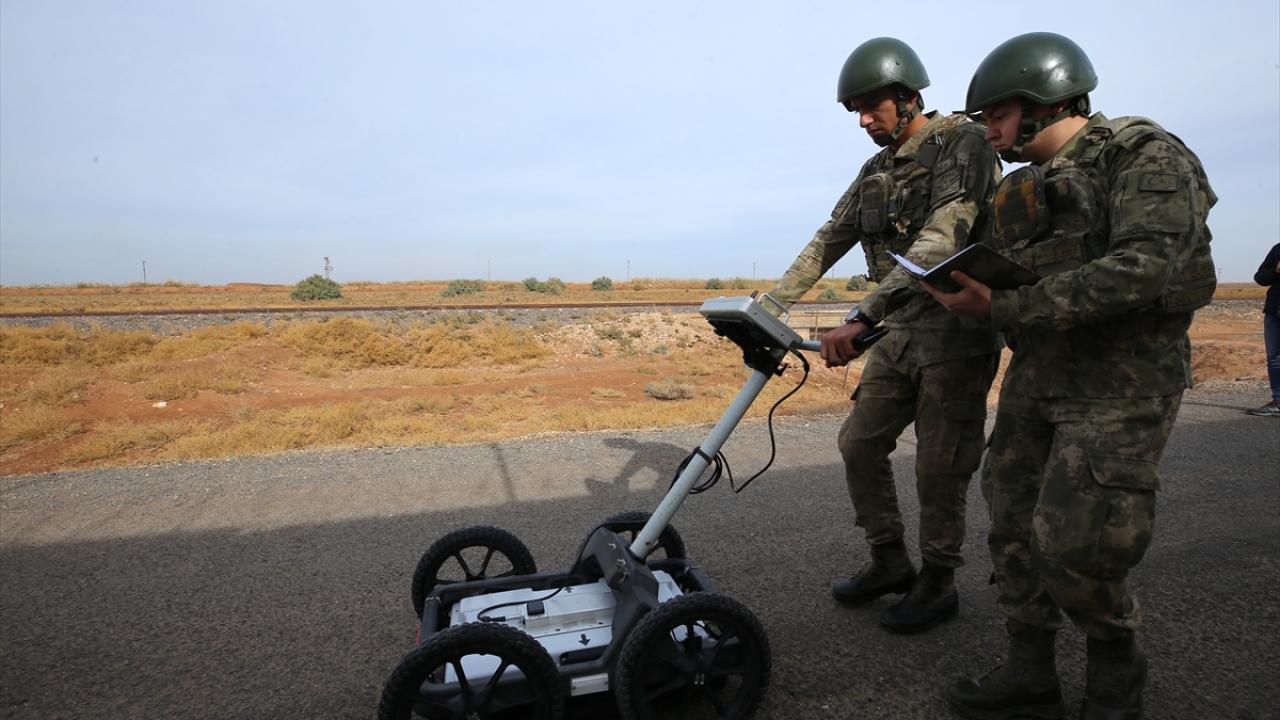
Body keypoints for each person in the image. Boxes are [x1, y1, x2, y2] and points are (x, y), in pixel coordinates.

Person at [923, 32, 1217, 720]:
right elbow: (1003, 265)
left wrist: (1004, 306)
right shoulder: (1023, 187)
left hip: (1122, 383)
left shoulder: (1145, 155)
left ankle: (1115, 675)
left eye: (998, 116)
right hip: (1040, 374)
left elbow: (1143, 270)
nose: (989, 132)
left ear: (1047, 102)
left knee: (1081, 542)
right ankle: (1030, 671)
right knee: (1012, 524)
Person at [766, 37, 1001, 634]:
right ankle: (890, 559)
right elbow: (830, 238)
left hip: (954, 332)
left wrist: (863, 315)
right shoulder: (876, 170)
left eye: (873, 107)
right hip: (896, 332)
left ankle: (939, 581)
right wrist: (768, 306)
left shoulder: (963, 143)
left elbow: (942, 237)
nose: (865, 121)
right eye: (857, 112)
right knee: (859, 444)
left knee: (940, 465)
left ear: (909, 97)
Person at [1247, 242, 1280, 416]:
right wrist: (1275, 270)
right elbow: (1260, 277)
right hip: (1274, 312)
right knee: (1275, 358)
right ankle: (1278, 401)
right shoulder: (1278, 249)